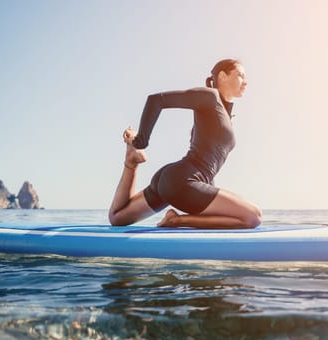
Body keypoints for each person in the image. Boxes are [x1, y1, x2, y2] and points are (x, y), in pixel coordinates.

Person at [108, 59, 262, 229]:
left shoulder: (221, 113)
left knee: (118, 218)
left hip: (177, 179)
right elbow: (156, 100)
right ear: (223, 76)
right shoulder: (210, 96)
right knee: (253, 217)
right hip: (183, 182)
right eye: (240, 75)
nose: (245, 81)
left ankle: (131, 162)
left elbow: (207, 157)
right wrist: (141, 141)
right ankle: (177, 220)